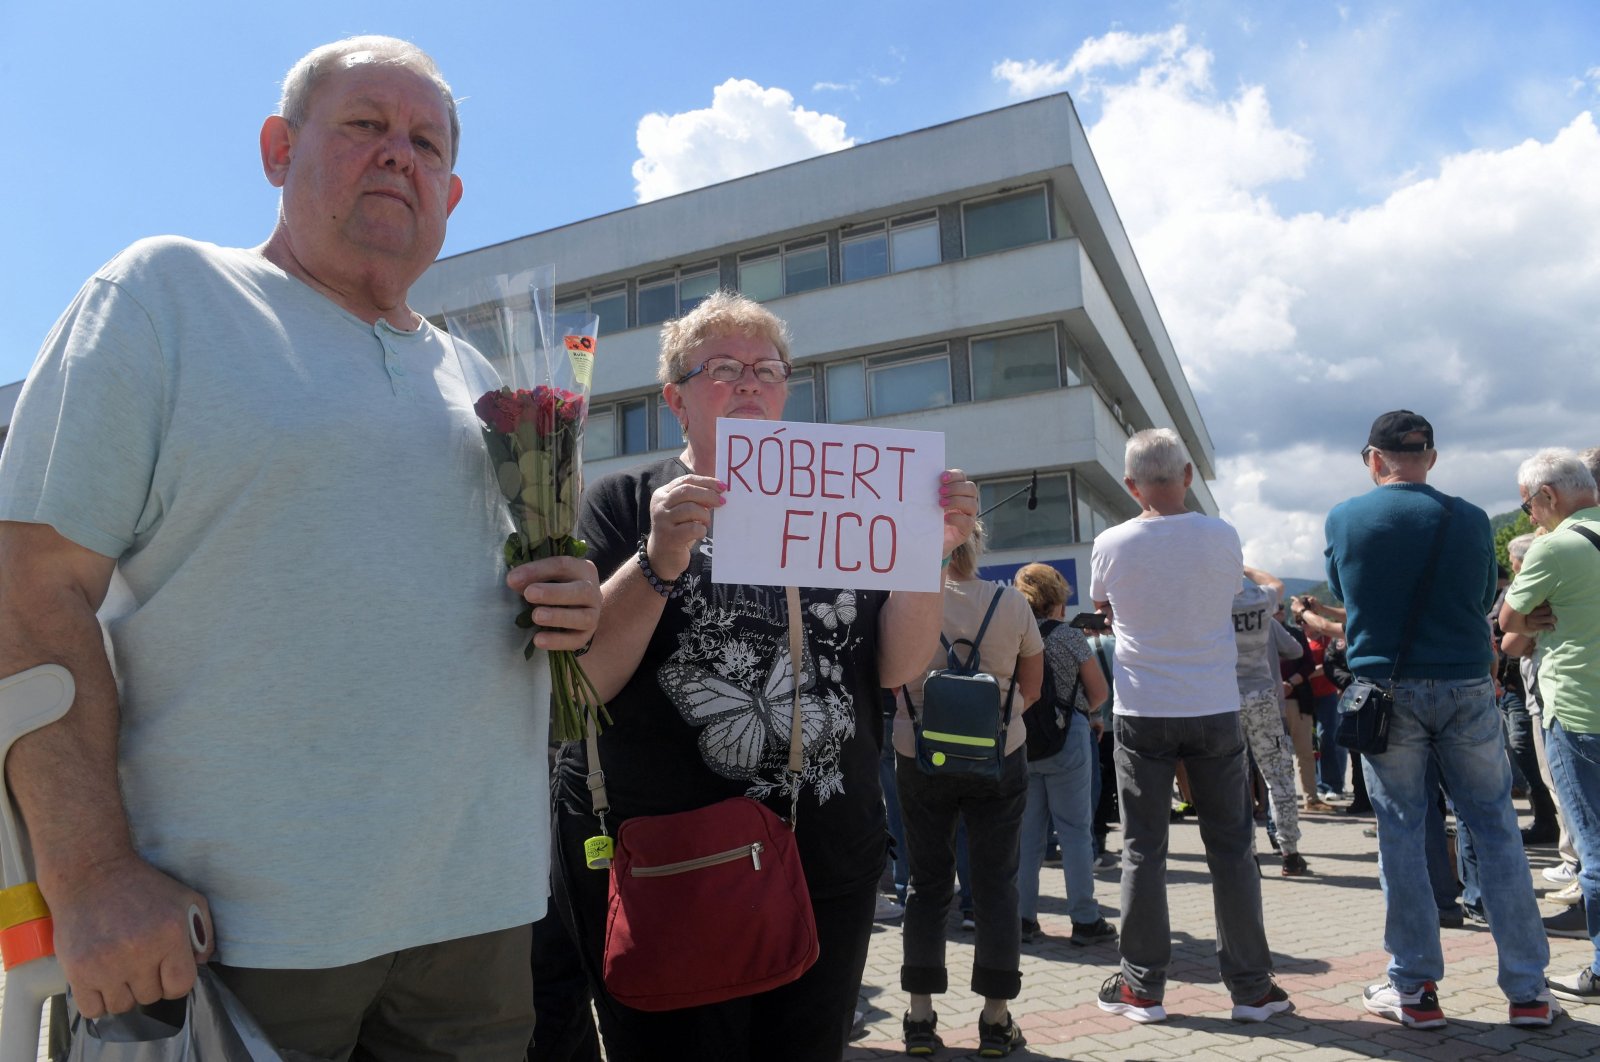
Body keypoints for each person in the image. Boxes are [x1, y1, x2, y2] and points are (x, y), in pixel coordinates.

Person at [0, 36, 602, 1053]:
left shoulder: (473, 374)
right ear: (279, 148)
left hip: (479, 926)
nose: (397, 155)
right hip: (234, 939)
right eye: (365, 125)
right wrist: (91, 876)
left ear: (452, 196)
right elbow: (28, 588)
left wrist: (565, 602)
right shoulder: (167, 297)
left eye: (424, 142)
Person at [547, 291, 978, 1062]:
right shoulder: (622, 503)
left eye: (766, 369)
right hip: (680, 864)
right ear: (675, 398)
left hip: (826, 858)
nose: (749, 383)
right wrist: (659, 560)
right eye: (722, 368)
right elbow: (584, 683)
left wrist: (931, 548)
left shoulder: (845, 494)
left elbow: (897, 668)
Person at [1325, 410, 1556, 1028]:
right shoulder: (1471, 518)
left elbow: (1345, 595)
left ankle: (1415, 988)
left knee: (1402, 832)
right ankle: (1529, 991)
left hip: (1385, 692)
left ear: (1374, 459)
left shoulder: (1346, 517)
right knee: (1496, 829)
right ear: (1430, 456)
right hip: (1465, 685)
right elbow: (1486, 596)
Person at [1089, 428, 1292, 1025]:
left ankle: (1142, 987)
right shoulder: (1221, 535)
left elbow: (1104, 604)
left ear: (1131, 486)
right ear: (1185, 477)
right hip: (1213, 705)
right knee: (1232, 849)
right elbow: (1228, 592)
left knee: (1142, 850)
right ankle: (1252, 988)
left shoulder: (1110, 542)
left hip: (1142, 710)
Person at [893, 523, 1040, 1057]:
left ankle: (919, 1017)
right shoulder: (1011, 603)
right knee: (998, 884)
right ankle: (996, 1020)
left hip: (918, 756)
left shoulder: (903, 601)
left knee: (926, 885)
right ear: (976, 545)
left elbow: (890, 676)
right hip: (998, 757)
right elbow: (1034, 686)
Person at [1499, 448, 1600, 1000]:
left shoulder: (1554, 547)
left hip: (1580, 711)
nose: (1528, 517)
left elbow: (1510, 623)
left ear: (1549, 496)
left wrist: (1534, 613)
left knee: (1594, 845)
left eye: (1527, 506)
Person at [1011, 563, 1115, 947]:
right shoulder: (1069, 637)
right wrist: (1085, 710)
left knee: (1028, 836)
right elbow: (1100, 693)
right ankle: (1085, 920)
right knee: (1074, 831)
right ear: (1056, 597)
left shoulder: (1013, 633)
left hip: (1021, 739)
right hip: (1066, 737)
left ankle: (1023, 919)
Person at [1234, 567, 1312, 876]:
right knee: (1278, 776)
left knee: (1236, 780)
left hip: (1227, 699)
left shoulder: (1208, 604)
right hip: (1264, 697)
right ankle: (1290, 852)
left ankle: (1248, 854)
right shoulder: (1260, 603)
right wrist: (1246, 567)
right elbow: (1276, 585)